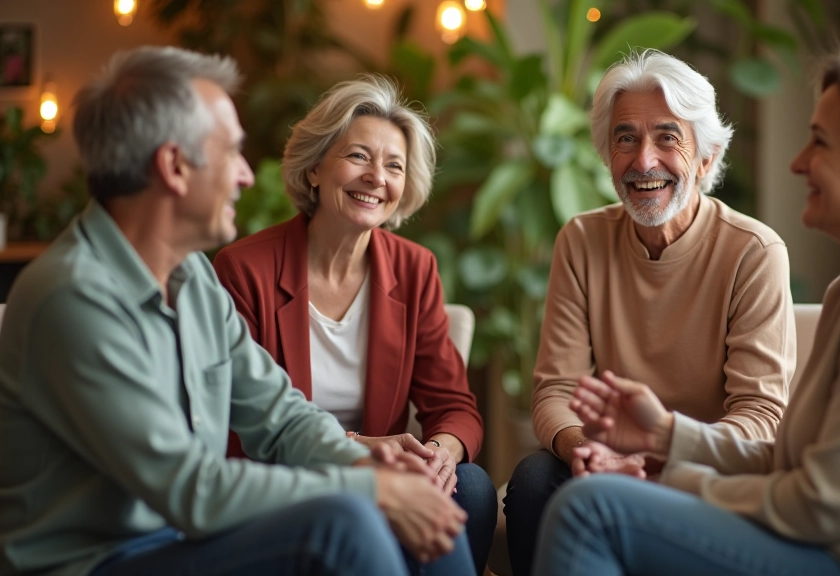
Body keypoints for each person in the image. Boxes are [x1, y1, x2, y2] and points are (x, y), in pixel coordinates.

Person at [534, 51, 840, 576]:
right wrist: (665, 438)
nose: (798, 162)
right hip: (833, 546)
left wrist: (664, 475)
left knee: (590, 511)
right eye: (626, 138)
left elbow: (821, 504)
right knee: (548, 485)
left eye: (821, 142)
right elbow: (798, 463)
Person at [0, 46, 474, 576]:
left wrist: (375, 466)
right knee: (345, 524)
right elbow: (189, 488)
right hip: (97, 560)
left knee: (418, 498)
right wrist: (370, 487)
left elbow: (281, 416)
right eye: (231, 153)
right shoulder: (73, 297)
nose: (247, 175)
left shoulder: (194, 279)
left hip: (179, 540)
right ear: (174, 166)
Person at [503, 49, 795, 574]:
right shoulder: (581, 240)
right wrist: (584, 450)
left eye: (667, 137)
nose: (643, 162)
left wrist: (663, 455)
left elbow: (760, 417)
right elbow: (555, 391)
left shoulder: (753, 252)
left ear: (706, 159)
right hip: (607, 463)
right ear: (605, 155)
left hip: (706, 471)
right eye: (625, 139)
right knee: (533, 482)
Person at [212, 75, 496, 575]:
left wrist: (438, 454)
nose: (376, 177)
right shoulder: (244, 269)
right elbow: (238, 425)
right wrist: (360, 450)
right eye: (359, 156)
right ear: (315, 168)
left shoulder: (415, 269)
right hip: (289, 479)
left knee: (468, 487)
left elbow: (455, 407)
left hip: (387, 473)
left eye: (394, 166)